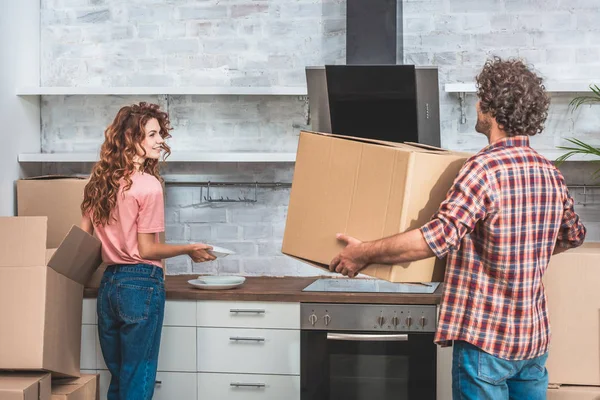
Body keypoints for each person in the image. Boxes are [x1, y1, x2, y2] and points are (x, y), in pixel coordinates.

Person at [328, 58, 586, 399]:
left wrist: (362, 252)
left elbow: (435, 238)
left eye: (482, 98)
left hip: (486, 341)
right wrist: (523, 249)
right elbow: (573, 235)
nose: (477, 104)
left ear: (493, 110)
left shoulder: (482, 169)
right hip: (533, 342)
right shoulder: (548, 171)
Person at [80, 102, 216, 400]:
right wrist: (189, 248)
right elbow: (147, 248)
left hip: (109, 286)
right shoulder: (148, 185)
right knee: (138, 378)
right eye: (152, 134)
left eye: (160, 134)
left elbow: (81, 241)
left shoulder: (98, 183)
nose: (160, 141)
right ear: (131, 138)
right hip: (140, 284)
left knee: (119, 378)